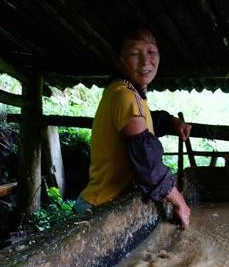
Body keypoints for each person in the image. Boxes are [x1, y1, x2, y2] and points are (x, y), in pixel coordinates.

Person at [76, 27, 192, 226]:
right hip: (100, 209)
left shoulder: (121, 91)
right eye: (134, 53)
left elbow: (142, 123)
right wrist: (179, 201)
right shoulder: (125, 96)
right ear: (118, 59)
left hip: (96, 203)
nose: (146, 61)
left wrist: (172, 123)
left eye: (151, 52)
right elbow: (147, 160)